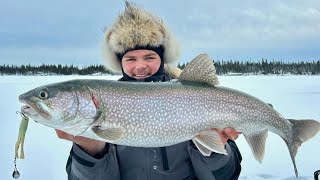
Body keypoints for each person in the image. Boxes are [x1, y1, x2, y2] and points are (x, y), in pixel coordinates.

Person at [56, 2, 242, 180]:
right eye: (130, 59)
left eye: (149, 57)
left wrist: (214, 151)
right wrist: (91, 151)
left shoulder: (195, 96)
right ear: (119, 63)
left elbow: (225, 177)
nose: (140, 66)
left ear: (163, 59)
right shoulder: (101, 105)